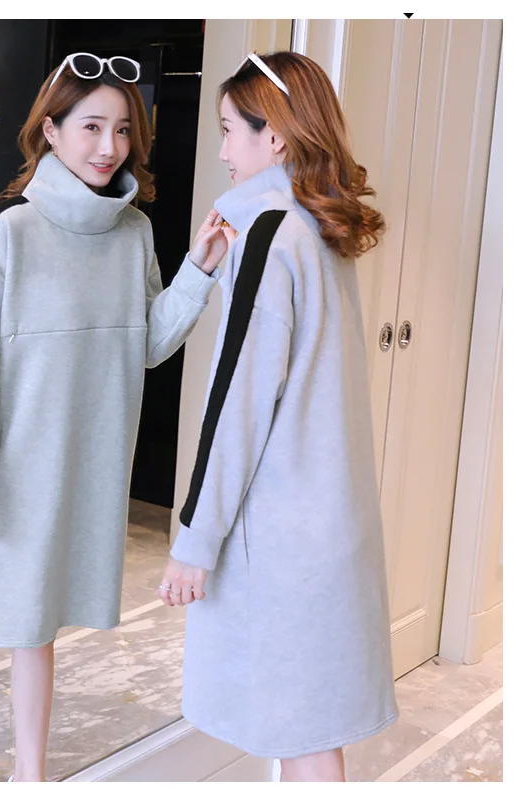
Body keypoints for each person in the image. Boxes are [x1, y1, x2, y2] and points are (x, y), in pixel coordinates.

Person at [0, 53, 229, 783]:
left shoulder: (134, 232)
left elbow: (149, 346)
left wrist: (199, 270)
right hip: (5, 469)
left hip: (81, 467)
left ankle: (31, 773)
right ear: (51, 129)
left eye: (123, 130)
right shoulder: (13, 227)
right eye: (91, 127)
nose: (109, 146)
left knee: (36, 627)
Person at [158, 50, 399, 782]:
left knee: (303, 732)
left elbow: (238, 402)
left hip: (281, 531)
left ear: (276, 137)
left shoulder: (269, 234)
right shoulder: (319, 231)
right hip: (328, 520)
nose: (223, 151)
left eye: (229, 130)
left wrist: (195, 539)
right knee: (313, 729)